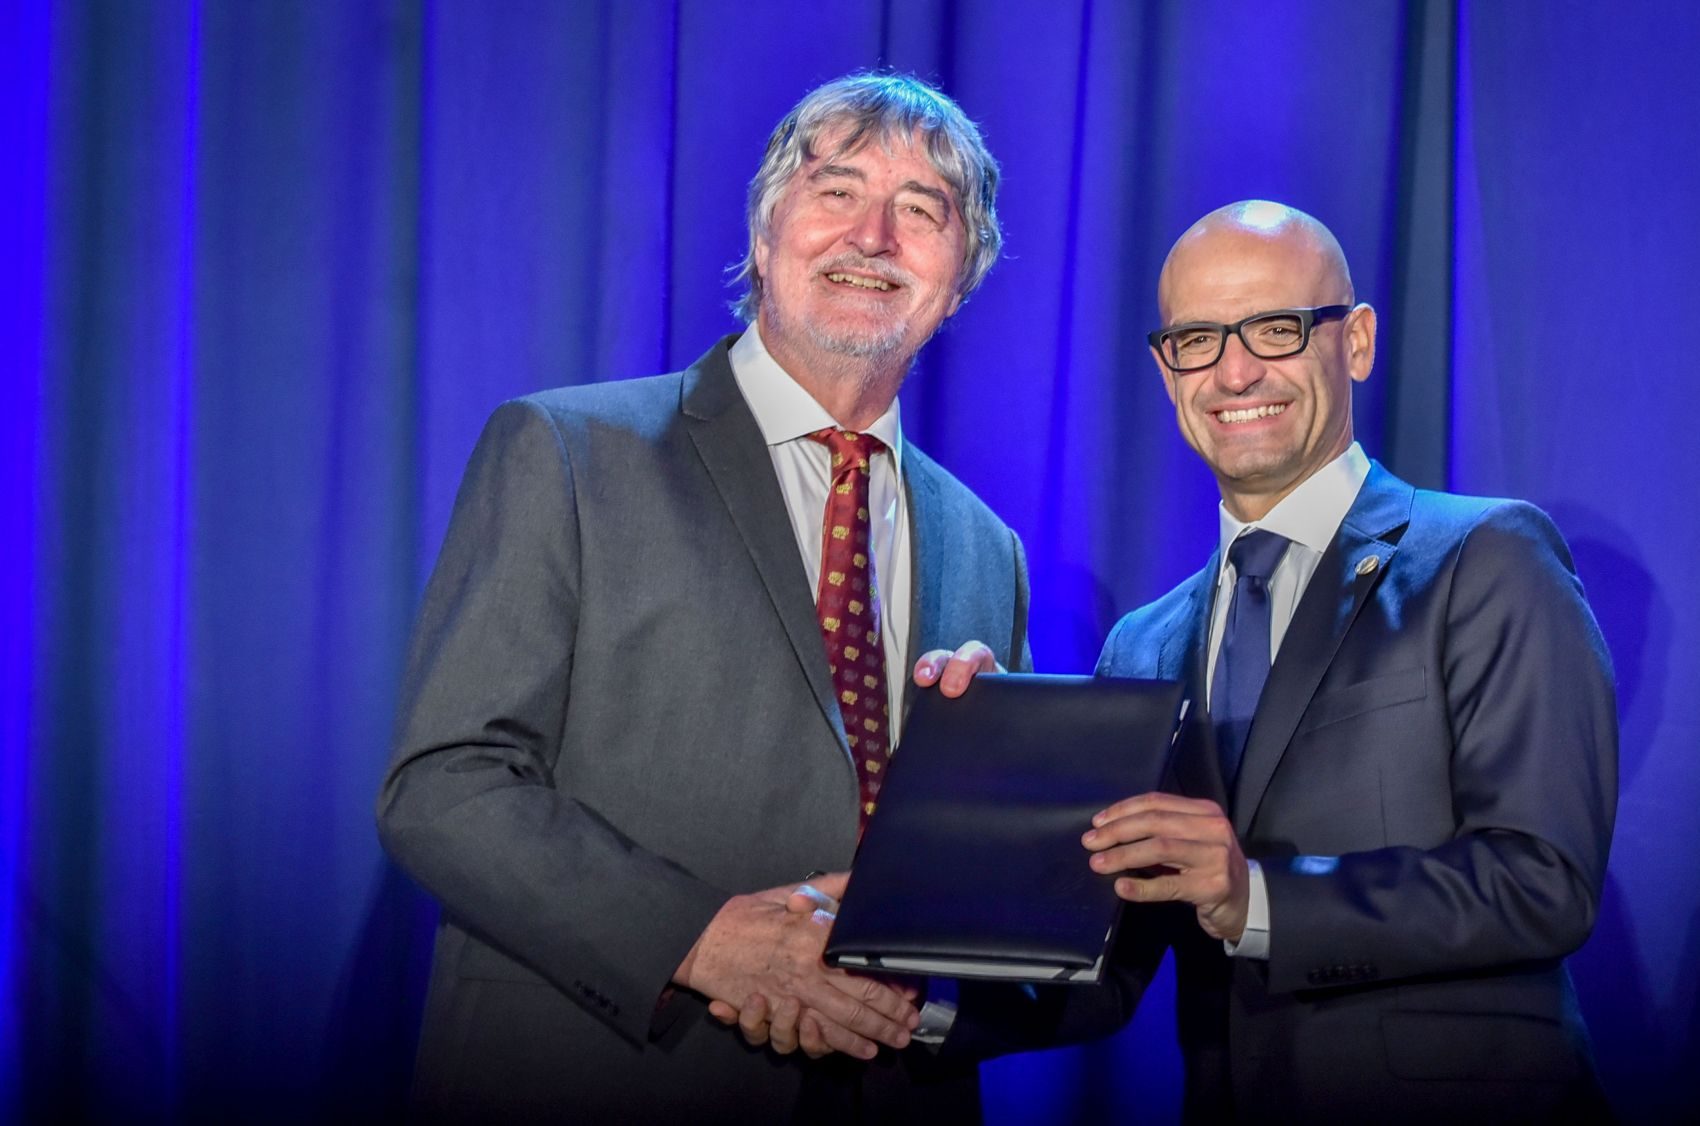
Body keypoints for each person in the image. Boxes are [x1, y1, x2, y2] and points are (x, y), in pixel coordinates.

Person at [376, 74, 1035, 1122]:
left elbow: (973, 892)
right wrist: (702, 938)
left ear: (959, 280)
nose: (872, 234)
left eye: (922, 211)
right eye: (835, 190)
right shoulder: (566, 451)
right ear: (764, 234)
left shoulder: (985, 547)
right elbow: (446, 785)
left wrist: (989, 796)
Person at [917, 201, 1618, 1120]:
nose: (1234, 370)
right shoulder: (1144, 642)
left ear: (1356, 341)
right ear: (1167, 371)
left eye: (1276, 329)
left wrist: (1257, 896)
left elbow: (1542, 882)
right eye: (1197, 339)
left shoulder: (1486, 558)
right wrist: (917, 989)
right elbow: (1103, 959)